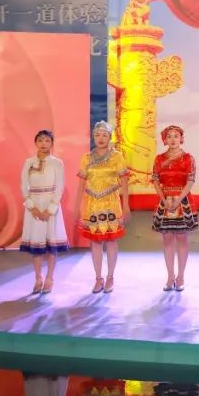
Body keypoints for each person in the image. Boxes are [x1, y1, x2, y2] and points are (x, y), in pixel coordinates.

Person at [74, 121, 130, 294]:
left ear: (110, 137)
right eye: (97, 135)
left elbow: (124, 182)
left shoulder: (117, 157)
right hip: (92, 204)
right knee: (95, 241)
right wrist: (77, 207)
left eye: (104, 135)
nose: (101, 138)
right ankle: (98, 278)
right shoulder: (86, 158)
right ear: (93, 137)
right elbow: (81, 184)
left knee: (111, 240)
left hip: (111, 203)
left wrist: (126, 206)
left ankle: (110, 277)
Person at [20, 130, 69, 294]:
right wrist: (31, 207)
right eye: (40, 140)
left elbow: (60, 187)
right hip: (34, 207)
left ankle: (49, 278)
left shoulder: (57, 163)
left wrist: (50, 210)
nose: (43, 143)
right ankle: (38, 278)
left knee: (51, 244)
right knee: (37, 245)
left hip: (50, 208)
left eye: (47, 140)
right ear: (35, 143)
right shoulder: (28, 162)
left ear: (52, 144)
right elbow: (23, 185)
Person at [151, 125, 199, 291]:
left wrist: (179, 199)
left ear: (181, 139)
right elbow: (155, 180)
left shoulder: (188, 158)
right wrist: (163, 199)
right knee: (167, 239)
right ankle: (170, 276)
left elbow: (190, 181)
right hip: (165, 202)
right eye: (169, 136)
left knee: (182, 238)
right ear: (165, 140)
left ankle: (181, 276)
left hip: (183, 202)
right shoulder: (158, 159)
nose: (172, 139)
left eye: (176, 136)